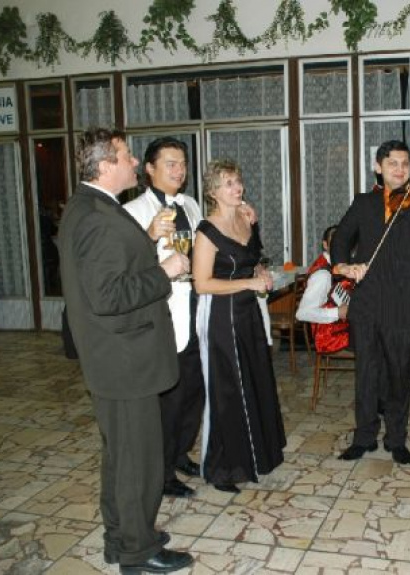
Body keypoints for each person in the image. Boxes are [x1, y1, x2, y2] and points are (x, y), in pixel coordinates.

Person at [58, 127, 192, 573]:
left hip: (116, 357)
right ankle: (138, 551)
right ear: (104, 166)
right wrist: (165, 271)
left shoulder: (90, 206)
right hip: (125, 359)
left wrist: (147, 246)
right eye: (127, 156)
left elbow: (110, 272)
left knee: (121, 457)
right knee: (139, 461)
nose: (135, 162)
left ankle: (121, 537)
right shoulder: (97, 217)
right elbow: (108, 295)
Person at [331, 139, 410, 465]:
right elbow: (341, 237)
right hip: (367, 303)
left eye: (405, 164)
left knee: (399, 376)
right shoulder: (363, 203)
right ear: (378, 167)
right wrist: (343, 266)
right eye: (392, 163)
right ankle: (364, 438)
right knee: (366, 375)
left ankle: (396, 439)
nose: (400, 170)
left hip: (402, 303)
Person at [192, 159, 286, 494]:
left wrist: (260, 273)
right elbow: (202, 283)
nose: (237, 188)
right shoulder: (207, 231)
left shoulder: (247, 219)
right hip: (221, 317)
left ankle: (256, 456)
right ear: (213, 191)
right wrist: (248, 284)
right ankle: (224, 468)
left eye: (238, 181)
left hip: (249, 314)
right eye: (228, 183)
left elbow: (253, 261)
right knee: (228, 390)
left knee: (255, 381)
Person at [123, 137, 204, 499]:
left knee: (193, 392)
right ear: (150, 169)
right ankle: (162, 473)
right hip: (162, 313)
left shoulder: (190, 204)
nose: (179, 170)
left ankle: (180, 453)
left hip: (195, 307)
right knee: (168, 399)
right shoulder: (134, 211)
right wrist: (149, 235)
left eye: (183, 163)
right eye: (170, 163)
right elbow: (125, 266)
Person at [295, 225, 350, 354]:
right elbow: (302, 313)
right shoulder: (322, 275)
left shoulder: (337, 265)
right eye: (335, 243)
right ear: (325, 245)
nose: (341, 248)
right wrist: (337, 312)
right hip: (328, 335)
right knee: (372, 333)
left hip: (339, 324)